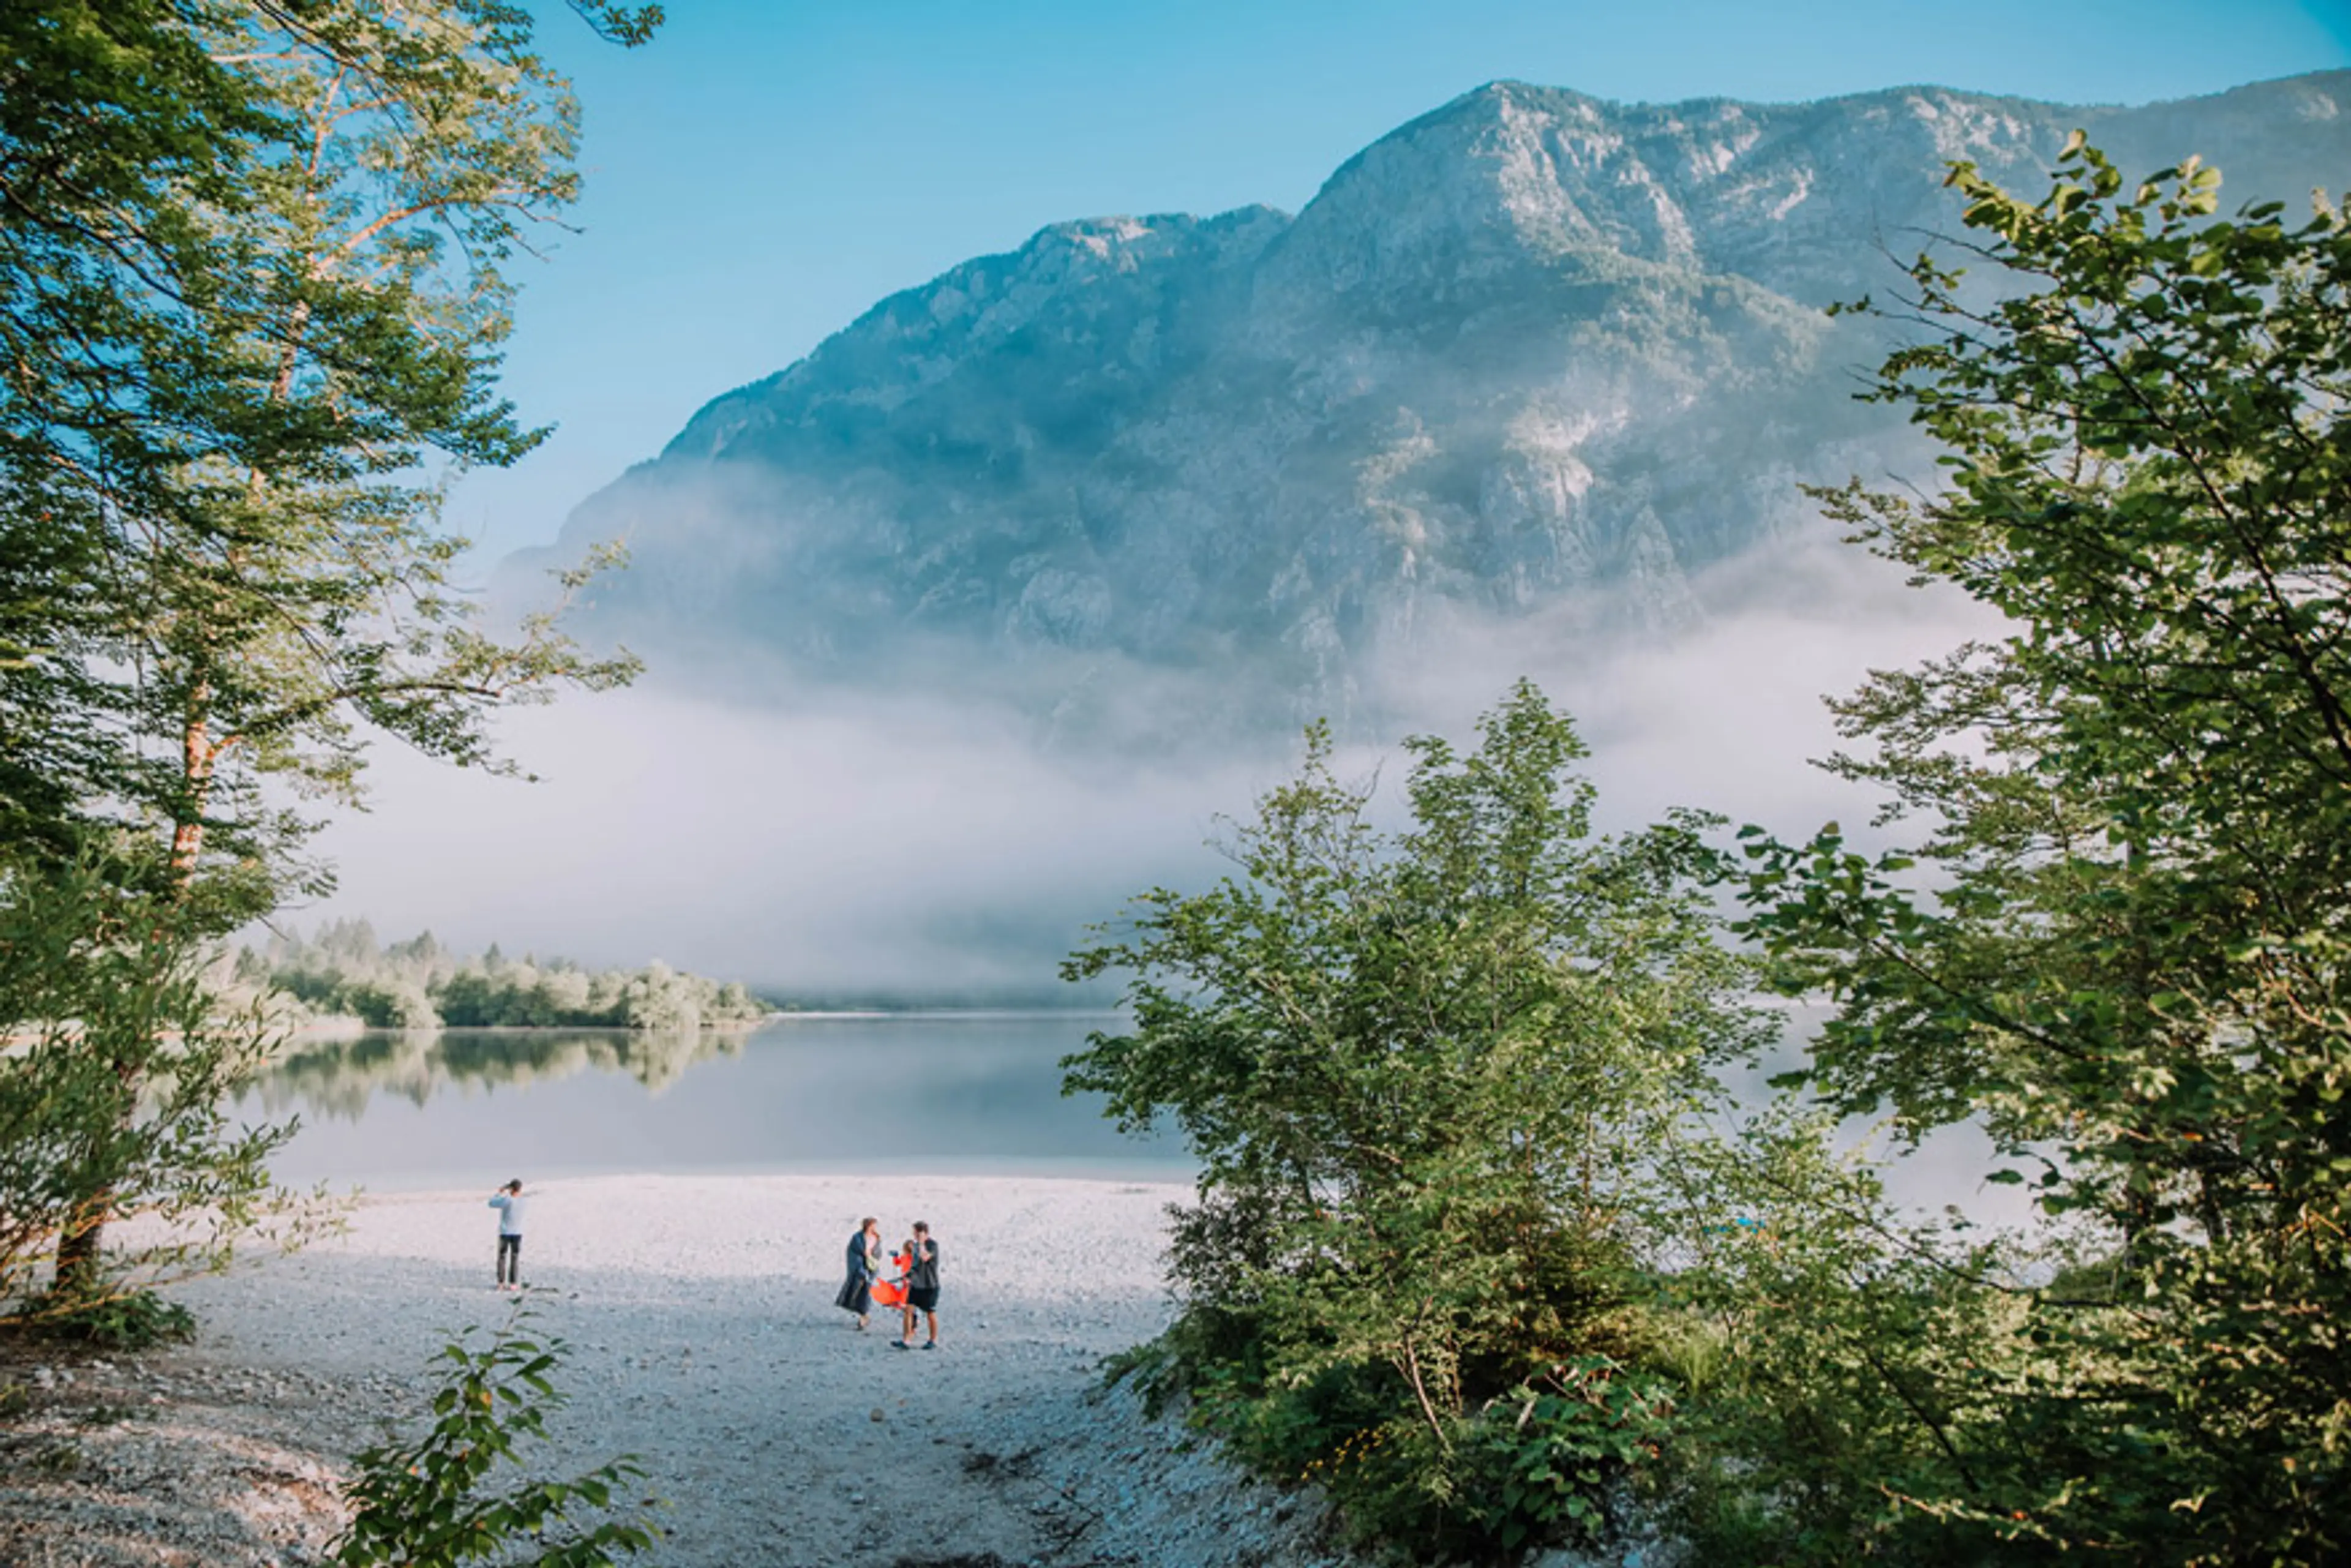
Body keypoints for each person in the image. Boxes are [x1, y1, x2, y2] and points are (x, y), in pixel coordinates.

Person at [891, 1220, 940, 1351]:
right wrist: (907, 1276)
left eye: (918, 1233)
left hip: (930, 1285)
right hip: (916, 1285)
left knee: (930, 1313)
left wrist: (923, 1244)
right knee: (908, 1310)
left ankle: (933, 1340)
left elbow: (925, 1258)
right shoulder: (916, 1246)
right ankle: (906, 1340)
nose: (916, 1236)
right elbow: (915, 1265)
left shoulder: (932, 1245)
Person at [834, 1217, 883, 1329]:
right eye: (871, 1225)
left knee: (867, 1293)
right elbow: (852, 1253)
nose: (873, 1228)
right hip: (859, 1271)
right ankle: (862, 1314)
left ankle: (864, 1316)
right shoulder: (857, 1238)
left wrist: (871, 1255)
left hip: (871, 1270)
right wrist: (861, 1261)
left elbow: (879, 1253)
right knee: (856, 1292)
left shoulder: (876, 1238)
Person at [487, 1179, 527, 1291]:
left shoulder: (508, 1200)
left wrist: (500, 1192)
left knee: (502, 1257)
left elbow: (491, 1203)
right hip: (518, 1232)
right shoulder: (524, 1201)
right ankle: (513, 1283)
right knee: (515, 1258)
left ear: (511, 1189)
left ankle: (501, 1282)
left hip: (505, 1232)